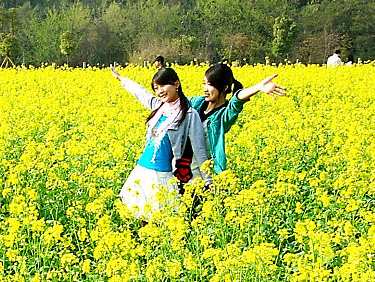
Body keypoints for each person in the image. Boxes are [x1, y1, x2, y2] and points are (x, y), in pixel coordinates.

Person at [111, 65, 210, 220]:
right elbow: (141, 93)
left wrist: (208, 181)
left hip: (163, 174)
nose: (159, 91)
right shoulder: (159, 107)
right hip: (142, 170)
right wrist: (122, 79)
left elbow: (200, 150)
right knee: (142, 219)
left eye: (163, 85)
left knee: (160, 220)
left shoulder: (190, 115)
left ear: (177, 84)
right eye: (156, 88)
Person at [191, 63, 286, 175]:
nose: (205, 89)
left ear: (225, 87)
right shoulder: (197, 103)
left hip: (204, 173)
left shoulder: (223, 115)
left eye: (210, 85)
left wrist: (258, 87)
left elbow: (237, 100)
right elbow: (177, 98)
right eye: (204, 83)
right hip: (181, 168)